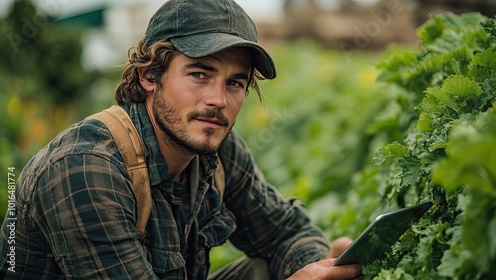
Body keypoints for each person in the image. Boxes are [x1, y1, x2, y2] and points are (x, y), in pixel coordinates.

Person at [0, 0, 363, 279]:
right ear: (149, 76)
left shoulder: (217, 149)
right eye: (200, 74)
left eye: (234, 82)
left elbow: (286, 233)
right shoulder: (84, 169)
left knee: (266, 270)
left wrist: (316, 268)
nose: (218, 101)